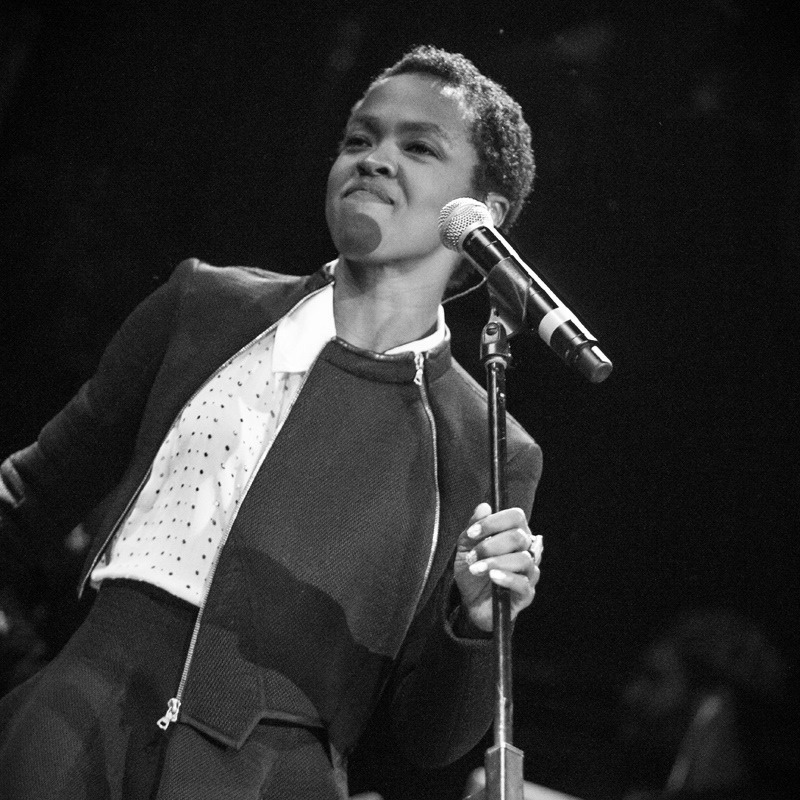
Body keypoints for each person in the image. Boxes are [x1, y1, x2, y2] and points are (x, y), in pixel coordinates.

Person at [0, 45, 542, 799]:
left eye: (418, 147)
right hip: (67, 737)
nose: (375, 158)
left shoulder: (484, 442)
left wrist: (475, 625)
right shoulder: (206, 307)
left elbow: (429, 739)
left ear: (485, 218)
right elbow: (29, 498)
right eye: (359, 138)